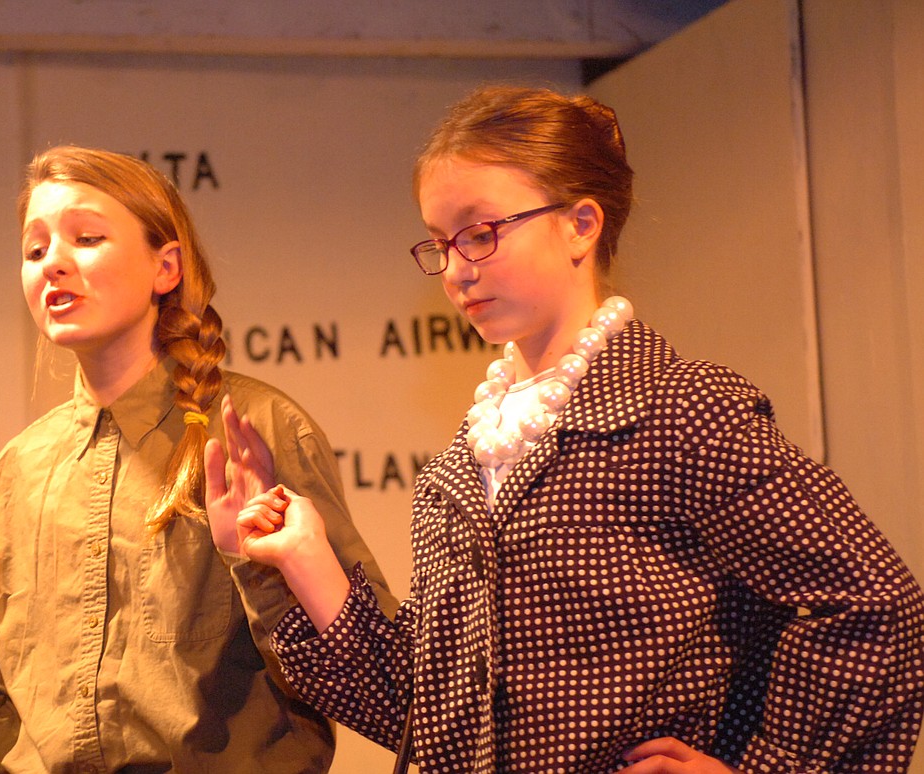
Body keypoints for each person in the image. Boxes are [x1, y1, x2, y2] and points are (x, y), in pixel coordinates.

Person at [213, 85, 924, 773]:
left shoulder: (677, 411)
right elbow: (427, 717)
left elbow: (875, 604)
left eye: (481, 233)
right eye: (439, 243)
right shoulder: (460, 471)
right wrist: (302, 558)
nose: (457, 270)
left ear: (581, 224)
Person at [0, 145, 393, 773]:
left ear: (165, 267)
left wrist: (260, 568)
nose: (53, 263)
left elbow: (368, 672)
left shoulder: (254, 429)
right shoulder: (13, 478)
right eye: (35, 250)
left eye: (85, 238)